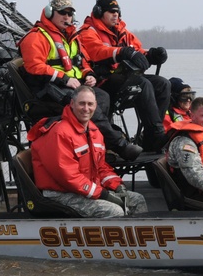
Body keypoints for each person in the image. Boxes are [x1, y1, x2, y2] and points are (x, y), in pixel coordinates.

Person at [18, 0, 142, 161]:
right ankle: (118, 144)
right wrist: (63, 79)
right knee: (86, 104)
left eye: (70, 14)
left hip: (71, 87)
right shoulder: (36, 37)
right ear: (49, 13)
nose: (67, 17)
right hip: (49, 92)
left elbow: (82, 62)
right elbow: (34, 66)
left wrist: (88, 74)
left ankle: (99, 144)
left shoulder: (72, 38)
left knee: (101, 96)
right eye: (62, 13)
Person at [28, 85, 148, 217]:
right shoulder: (59, 133)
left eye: (90, 104)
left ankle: (132, 237)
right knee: (115, 211)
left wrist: (117, 186)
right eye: (82, 104)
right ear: (72, 104)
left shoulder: (94, 131)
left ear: (96, 106)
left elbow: (101, 167)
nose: (86, 109)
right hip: (60, 195)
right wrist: (104, 195)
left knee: (136, 200)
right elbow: (68, 177)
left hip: (84, 190)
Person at [78, 0, 171, 152]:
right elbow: (97, 52)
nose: (116, 15)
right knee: (142, 83)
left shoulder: (122, 31)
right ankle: (156, 133)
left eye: (118, 12)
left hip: (123, 79)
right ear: (99, 12)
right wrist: (122, 53)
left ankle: (151, 136)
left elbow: (137, 50)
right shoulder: (88, 32)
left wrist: (152, 55)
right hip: (103, 82)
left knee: (163, 84)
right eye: (111, 11)